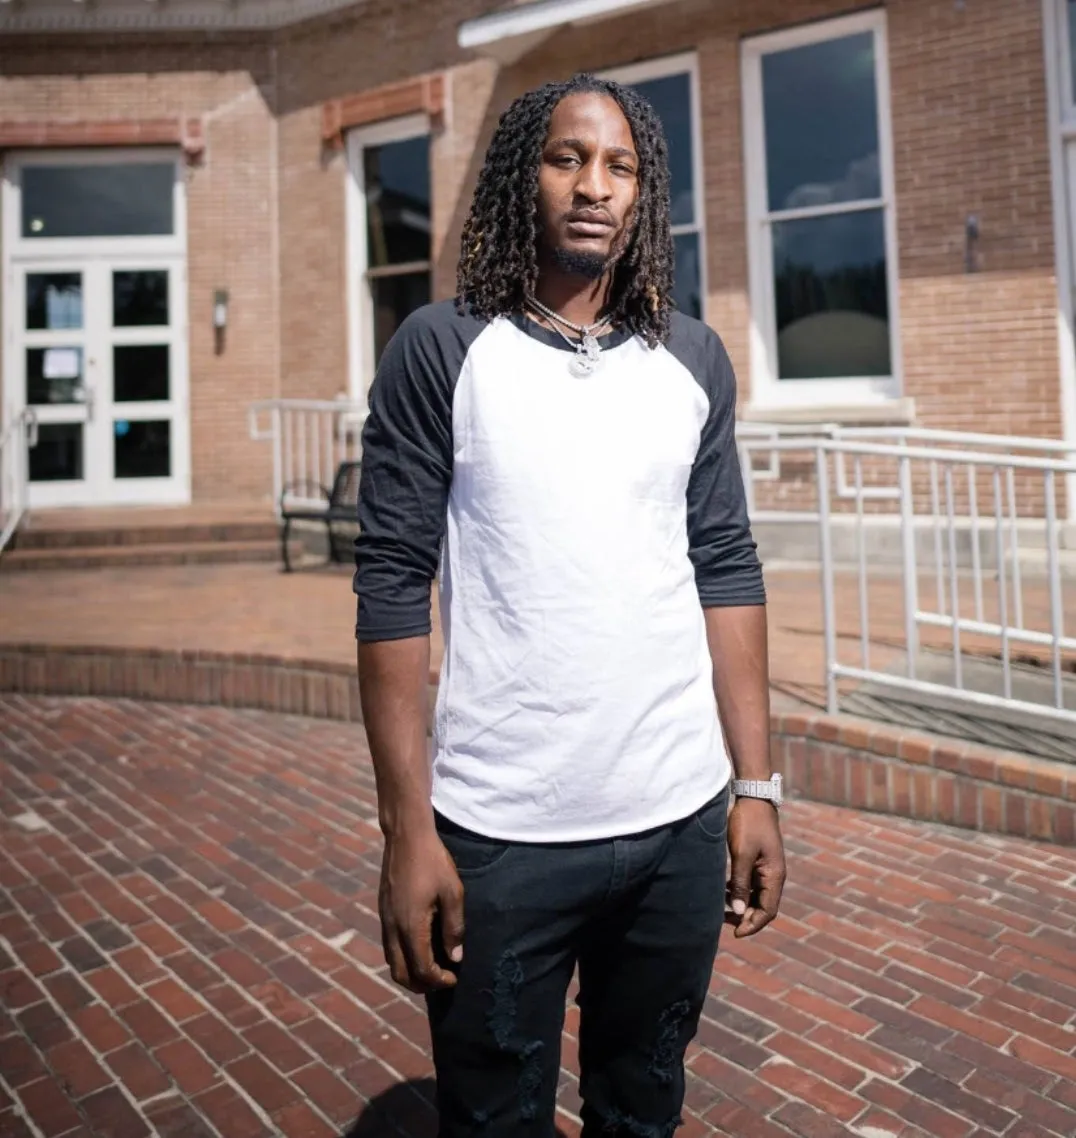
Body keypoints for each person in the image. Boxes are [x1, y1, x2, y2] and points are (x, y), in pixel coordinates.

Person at [354, 73, 786, 1138]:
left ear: (642, 193)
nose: (593, 185)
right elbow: (390, 584)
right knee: (494, 1120)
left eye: (619, 165)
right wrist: (406, 828)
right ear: (520, 175)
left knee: (641, 1110)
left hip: (676, 826)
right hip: (502, 837)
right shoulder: (443, 349)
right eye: (566, 158)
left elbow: (723, 562)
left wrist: (755, 785)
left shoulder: (689, 358)